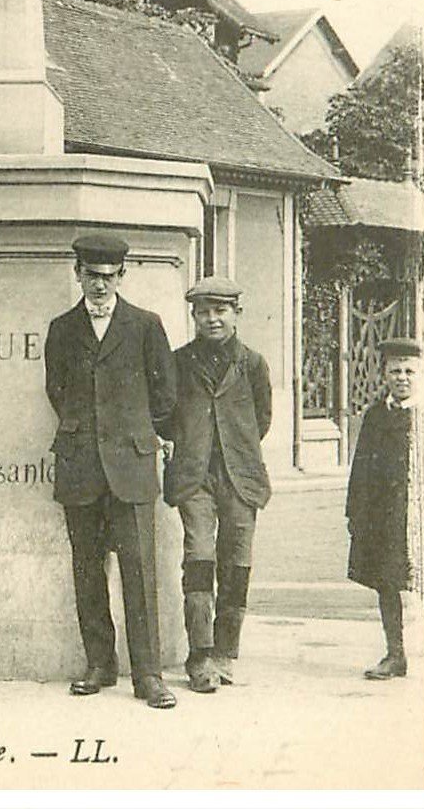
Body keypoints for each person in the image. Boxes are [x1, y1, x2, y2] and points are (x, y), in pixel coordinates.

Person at [44, 232, 178, 709]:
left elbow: (165, 395)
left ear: (122, 276)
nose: (99, 287)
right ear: (77, 274)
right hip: (81, 465)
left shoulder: (145, 325)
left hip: (132, 466)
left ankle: (148, 675)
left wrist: (141, 435)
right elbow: (56, 390)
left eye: (108, 277)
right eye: (90, 276)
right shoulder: (62, 328)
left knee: (140, 572)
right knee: (87, 568)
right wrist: (85, 433)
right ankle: (99, 664)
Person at [160, 277, 272, 693]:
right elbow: (165, 414)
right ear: (193, 316)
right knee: (199, 556)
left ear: (236, 315)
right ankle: (200, 655)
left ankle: (226, 652)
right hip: (195, 477)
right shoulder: (178, 362)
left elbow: (261, 419)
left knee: (237, 562)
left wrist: (232, 448)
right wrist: (190, 445)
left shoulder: (254, 364)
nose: (212, 319)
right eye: (204, 312)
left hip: (241, 477)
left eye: (221, 311)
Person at [346, 336, 424, 681]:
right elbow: (360, 468)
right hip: (386, 516)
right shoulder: (376, 416)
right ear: (384, 374)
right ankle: (396, 654)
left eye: (409, 371)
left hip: (421, 515)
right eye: (395, 371)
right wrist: (356, 514)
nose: (402, 377)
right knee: (388, 582)